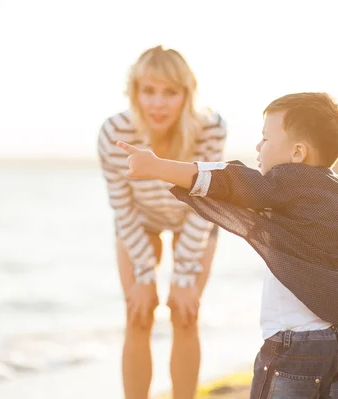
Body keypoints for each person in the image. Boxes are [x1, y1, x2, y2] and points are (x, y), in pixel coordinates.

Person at [116, 92, 338, 399]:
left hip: (295, 345)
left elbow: (227, 181)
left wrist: (156, 167)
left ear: (297, 153)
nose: (257, 147)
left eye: (265, 138)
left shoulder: (286, 184)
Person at [96, 45, 228, 399]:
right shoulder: (113, 133)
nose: (158, 103)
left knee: (185, 314)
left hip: (196, 214)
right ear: (134, 91)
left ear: (187, 94)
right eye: (148, 91)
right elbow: (121, 209)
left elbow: (207, 198)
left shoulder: (210, 128)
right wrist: (143, 275)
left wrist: (183, 275)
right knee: (138, 313)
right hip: (141, 219)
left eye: (170, 92)